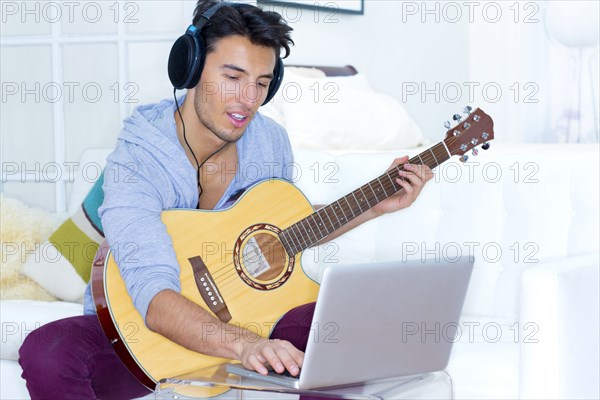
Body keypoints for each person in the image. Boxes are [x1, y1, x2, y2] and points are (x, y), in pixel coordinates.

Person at [18, 1, 433, 399]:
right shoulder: (137, 158)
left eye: (261, 84)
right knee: (48, 351)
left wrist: (375, 205)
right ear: (192, 67)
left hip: (249, 317)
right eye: (232, 77)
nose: (247, 100)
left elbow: (283, 235)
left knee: (335, 325)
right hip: (142, 339)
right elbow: (154, 296)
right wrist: (245, 345)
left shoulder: (269, 142)